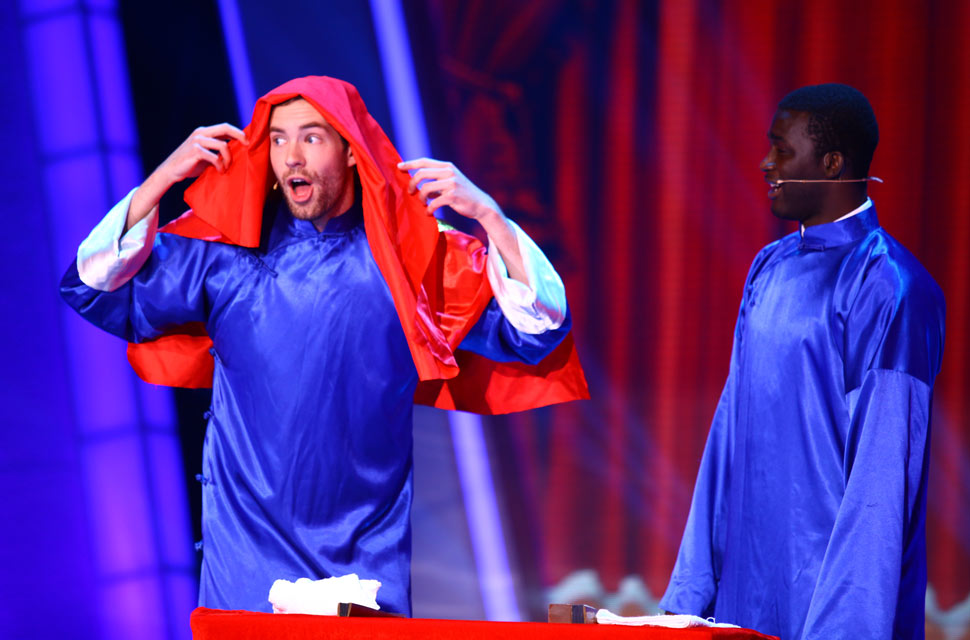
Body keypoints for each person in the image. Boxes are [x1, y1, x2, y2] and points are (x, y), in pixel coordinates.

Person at [61, 76, 587, 615]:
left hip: (366, 558)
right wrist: (164, 178)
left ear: (352, 151)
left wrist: (490, 216)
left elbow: (537, 330)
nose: (291, 156)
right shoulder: (226, 254)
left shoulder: (409, 260)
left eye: (311, 138)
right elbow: (93, 285)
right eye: (278, 139)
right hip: (246, 555)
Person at [659, 83, 945, 639]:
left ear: (832, 164)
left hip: (830, 604)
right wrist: (690, 592)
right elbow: (729, 431)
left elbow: (881, 483)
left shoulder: (892, 285)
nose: (766, 163)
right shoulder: (768, 266)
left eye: (782, 150)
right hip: (743, 597)